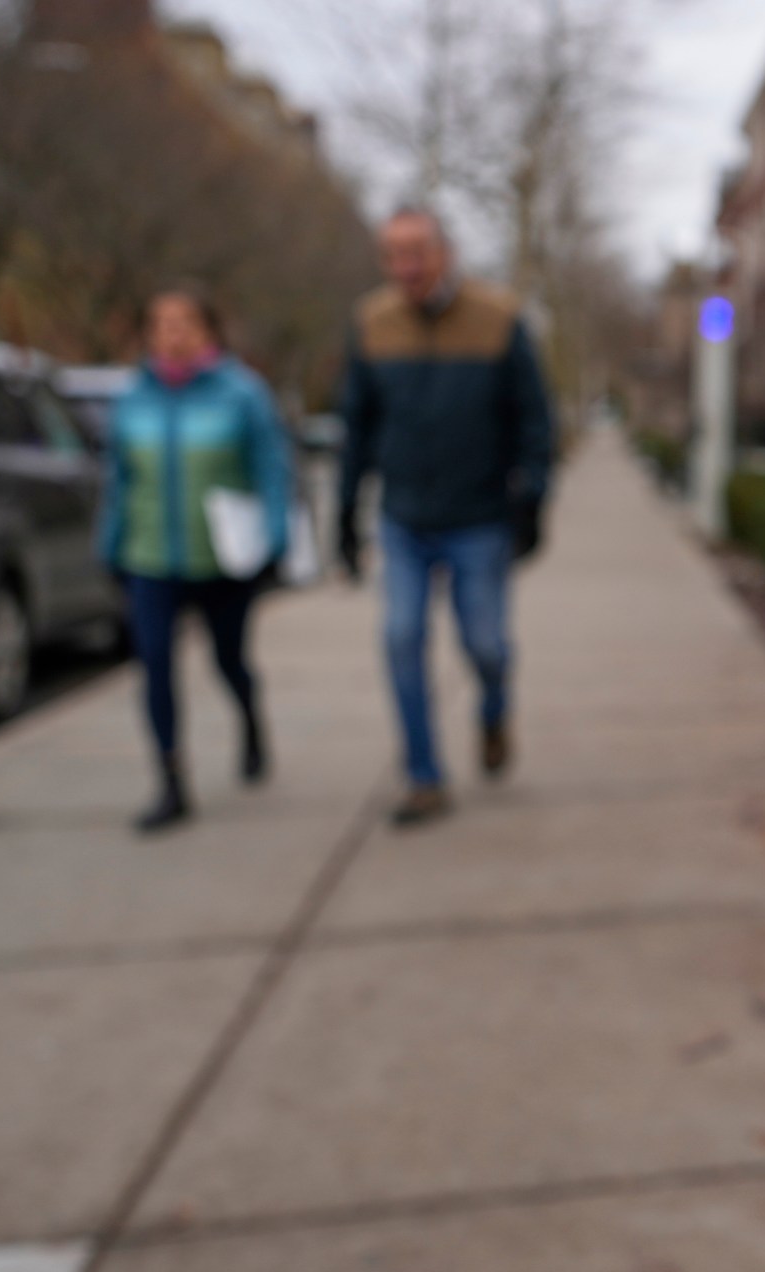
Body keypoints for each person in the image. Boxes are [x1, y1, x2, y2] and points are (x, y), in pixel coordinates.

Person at [336, 207, 555, 826]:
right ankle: (424, 775)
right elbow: (357, 426)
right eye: (393, 254)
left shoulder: (499, 318)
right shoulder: (372, 323)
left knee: (485, 644)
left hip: (479, 518)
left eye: (417, 252)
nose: (405, 267)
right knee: (401, 638)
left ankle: (494, 708)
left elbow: (534, 418)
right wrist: (344, 512)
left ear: (445, 253)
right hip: (404, 518)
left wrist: (532, 497)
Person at [97, 283, 293, 833]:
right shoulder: (134, 397)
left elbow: (272, 468)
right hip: (150, 557)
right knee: (155, 665)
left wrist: (276, 539)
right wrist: (109, 543)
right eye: (162, 324)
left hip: (222, 557)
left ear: (208, 331)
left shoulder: (241, 393)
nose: (173, 334)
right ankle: (170, 781)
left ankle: (249, 716)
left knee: (228, 660)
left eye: (184, 322)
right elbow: (119, 479)